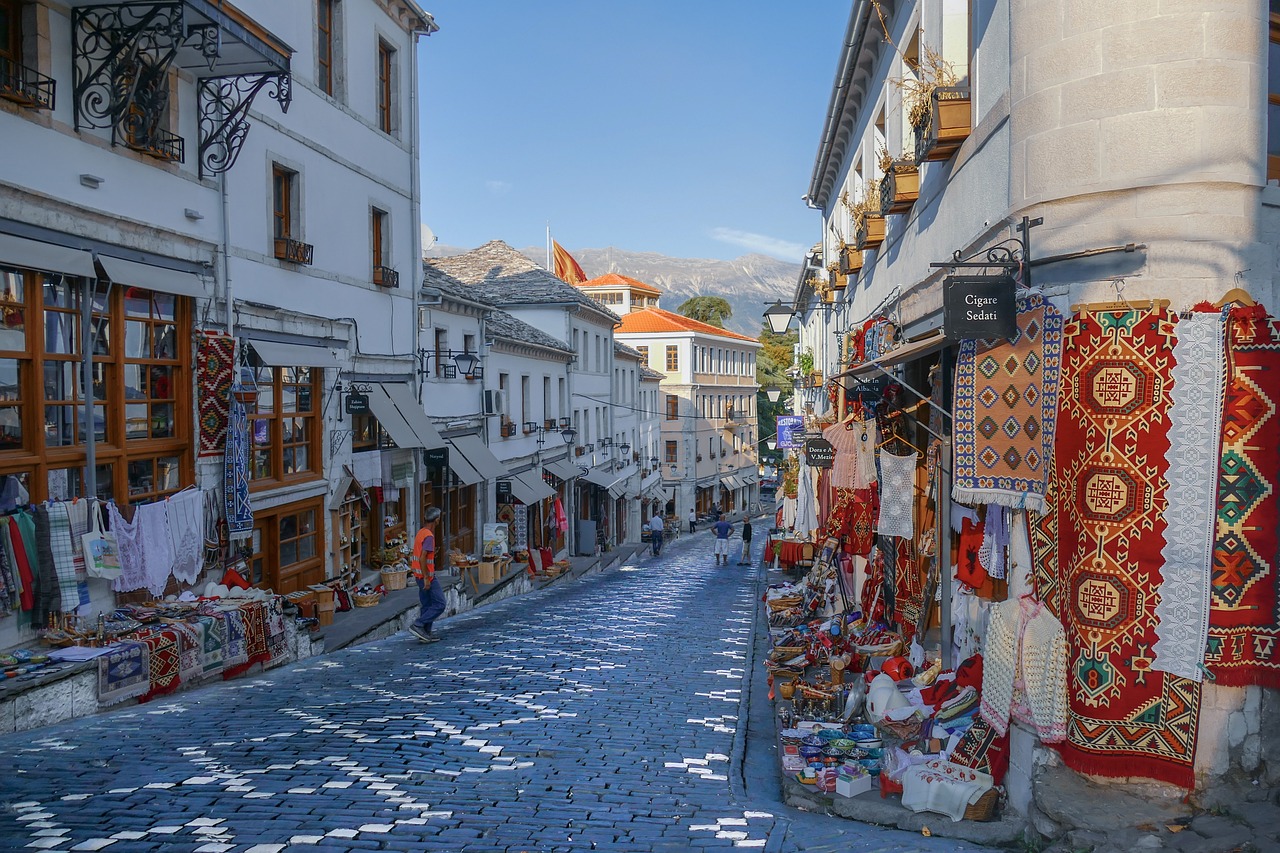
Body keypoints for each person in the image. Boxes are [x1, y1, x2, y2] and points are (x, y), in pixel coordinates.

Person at [407, 507, 445, 643]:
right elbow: (423, 558)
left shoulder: (421, 532)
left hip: (418, 575)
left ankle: (425, 632)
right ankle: (418, 624)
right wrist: (427, 579)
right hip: (426, 576)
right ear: (436, 520)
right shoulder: (429, 536)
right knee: (440, 604)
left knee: (427, 604)